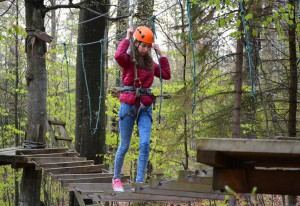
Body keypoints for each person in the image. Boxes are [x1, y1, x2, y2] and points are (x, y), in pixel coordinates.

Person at [112, 25, 171, 192]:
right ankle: (116, 178)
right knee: (124, 145)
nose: (145, 49)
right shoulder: (129, 59)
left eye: (147, 46)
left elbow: (166, 74)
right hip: (129, 104)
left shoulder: (151, 64)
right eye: (142, 45)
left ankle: (138, 182)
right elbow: (118, 55)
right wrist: (127, 37)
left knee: (145, 144)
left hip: (145, 105)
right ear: (137, 44)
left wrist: (160, 54)